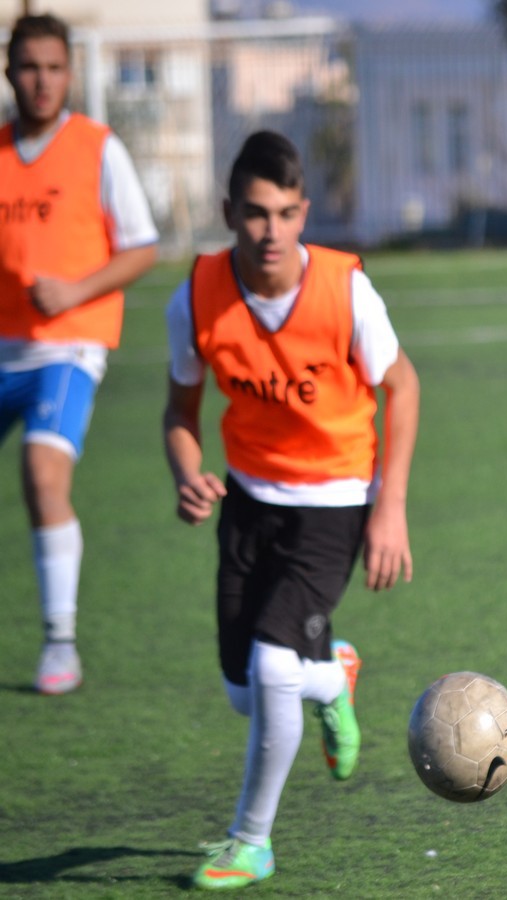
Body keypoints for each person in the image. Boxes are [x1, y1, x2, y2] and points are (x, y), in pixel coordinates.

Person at [162, 130, 419, 891]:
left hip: (334, 503)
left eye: (283, 213)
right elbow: (180, 412)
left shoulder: (346, 289)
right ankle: (333, 676)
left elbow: (403, 387)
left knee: (273, 668)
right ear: (228, 214)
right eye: (254, 213)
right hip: (248, 502)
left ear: (303, 212)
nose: (269, 231)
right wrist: (187, 473)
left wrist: (389, 505)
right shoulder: (197, 295)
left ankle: (252, 841)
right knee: (246, 693)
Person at [0, 13, 159, 695]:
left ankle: (59, 641)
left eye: (54, 68)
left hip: (67, 349)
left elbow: (142, 247)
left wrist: (75, 291)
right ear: (9, 72)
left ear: (71, 73)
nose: (42, 81)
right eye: (29, 67)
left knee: (43, 475)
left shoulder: (97, 148)